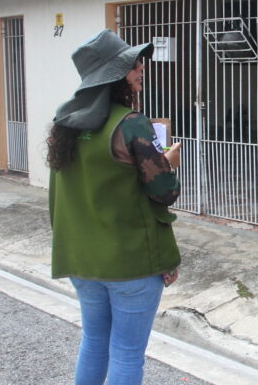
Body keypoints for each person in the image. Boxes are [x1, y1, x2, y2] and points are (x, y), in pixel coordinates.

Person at [47, 29, 183, 384]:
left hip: (81, 260)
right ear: (114, 75)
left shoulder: (65, 124)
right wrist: (168, 162)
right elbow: (163, 193)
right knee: (126, 353)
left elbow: (62, 196)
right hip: (131, 264)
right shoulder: (131, 123)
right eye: (133, 64)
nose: (141, 68)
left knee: (94, 342)